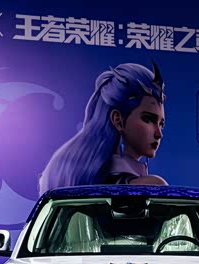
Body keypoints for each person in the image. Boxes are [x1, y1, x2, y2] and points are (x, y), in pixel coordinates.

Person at [38, 62, 168, 194]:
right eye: (148, 119)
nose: (158, 134)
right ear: (118, 120)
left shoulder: (69, 173)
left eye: (161, 124)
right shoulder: (153, 186)